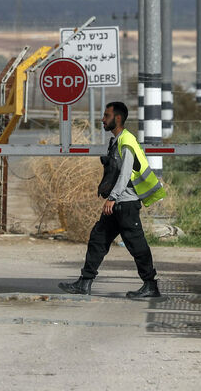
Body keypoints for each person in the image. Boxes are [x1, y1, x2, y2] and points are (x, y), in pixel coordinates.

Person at [58, 101, 166, 298]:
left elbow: (125, 173)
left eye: (106, 116)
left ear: (117, 118)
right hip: (117, 203)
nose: (102, 119)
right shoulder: (116, 141)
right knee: (98, 239)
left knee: (136, 244)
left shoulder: (127, 141)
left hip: (126, 203)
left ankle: (150, 285)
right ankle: (85, 282)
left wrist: (113, 198)